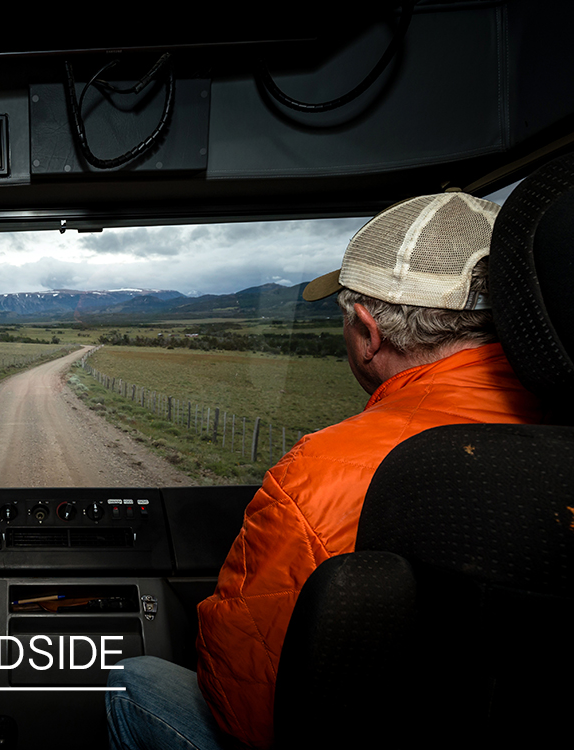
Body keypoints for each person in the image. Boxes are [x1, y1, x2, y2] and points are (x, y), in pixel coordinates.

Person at [105, 193, 543, 749]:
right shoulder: (556, 427)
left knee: (133, 679)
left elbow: (246, 703)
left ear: (368, 332)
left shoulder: (319, 476)